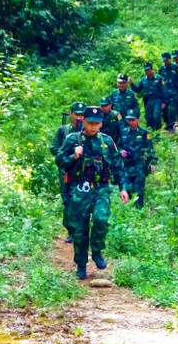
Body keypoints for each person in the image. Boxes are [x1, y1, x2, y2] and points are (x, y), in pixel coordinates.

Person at [55, 106, 129, 280]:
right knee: (79, 230)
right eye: (90, 123)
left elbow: (118, 165)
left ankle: (96, 250)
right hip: (79, 190)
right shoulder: (73, 140)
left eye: (97, 123)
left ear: (101, 124)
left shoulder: (107, 142)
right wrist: (73, 156)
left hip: (101, 188)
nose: (93, 127)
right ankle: (81, 265)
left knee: (101, 218)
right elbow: (59, 160)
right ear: (84, 121)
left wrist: (123, 187)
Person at [50, 101, 86, 243]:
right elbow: (53, 148)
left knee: (82, 198)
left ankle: (81, 229)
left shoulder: (87, 130)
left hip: (83, 170)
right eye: (76, 114)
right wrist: (67, 154)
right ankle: (71, 230)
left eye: (82, 115)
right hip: (66, 169)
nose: (79, 118)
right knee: (67, 199)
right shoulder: (63, 130)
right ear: (71, 113)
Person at [119, 108, 157, 209]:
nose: (131, 122)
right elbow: (117, 147)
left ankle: (139, 211)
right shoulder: (123, 133)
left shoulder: (144, 133)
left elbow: (150, 149)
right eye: (129, 120)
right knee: (127, 189)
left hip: (139, 166)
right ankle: (128, 211)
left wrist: (153, 163)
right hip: (126, 167)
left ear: (138, 120)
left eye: (133, 120)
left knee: (139, 190)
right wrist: (120, 151)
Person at [130, 62, 166, 132]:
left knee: (156, 116)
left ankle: (158, 132)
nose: (147, 72)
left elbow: (164, 90)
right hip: (148, 101)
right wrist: (132, 84)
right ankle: (151, 133)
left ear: (152, 69)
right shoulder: (143, 80)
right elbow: (138, 89)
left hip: (157, 100)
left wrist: (164, 102)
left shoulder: (159, 78)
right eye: (145, 70)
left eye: (148, 70)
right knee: (148, 117)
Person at [158, 51, 178, 132]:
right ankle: (168, 124)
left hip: (174, 92)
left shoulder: (175, 67)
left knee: (172, 109)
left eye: (167, 59)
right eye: (164, 60)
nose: (165, 61)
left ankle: (173, 125)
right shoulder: (161, 69)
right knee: (164, 111)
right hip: (165, 93)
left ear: (170, 59)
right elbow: (160, 82)